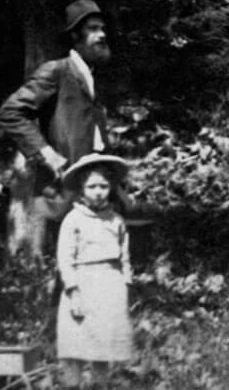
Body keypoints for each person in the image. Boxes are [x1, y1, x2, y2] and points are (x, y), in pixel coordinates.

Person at [0, 0, 115, 259]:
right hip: (63, 187)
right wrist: (45, 153)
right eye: (94, 29)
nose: (103, 35)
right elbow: (10, 112)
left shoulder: (93, 76)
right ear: (75, 36)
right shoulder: (56, 71)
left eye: (103, 28)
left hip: (93, 186)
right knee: (63, 264)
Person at [57, 153, 134, 369]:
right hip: (83, 283)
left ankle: (100, 383)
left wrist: (125, 284)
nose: (99, 192)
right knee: (77, 342)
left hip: (110, 284)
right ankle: (72, 385)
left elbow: (124, 255)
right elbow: (65, 258)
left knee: (105, 343)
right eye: (92, 187)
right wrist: (73, 292)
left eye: (104, 186)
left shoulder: (116, 220)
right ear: (82, 188)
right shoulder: (73, 220)